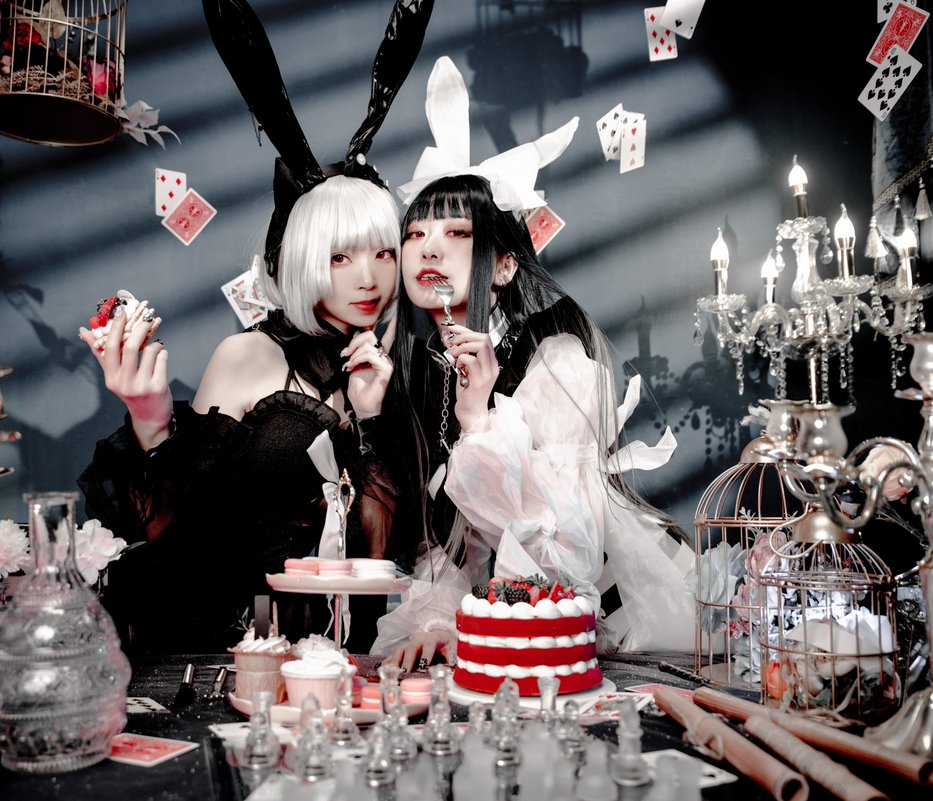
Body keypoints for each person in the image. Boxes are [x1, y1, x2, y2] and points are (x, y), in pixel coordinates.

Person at [77, 0, 434, 653]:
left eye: (384, 253)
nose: (369, 278)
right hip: (237, 656)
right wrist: (151, 421)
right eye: (340, 256)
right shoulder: (247, 356)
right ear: (302, 260)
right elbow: (183, 541)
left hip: (350, 662)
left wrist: (371, 420)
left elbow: (385, 554)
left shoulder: (391, 367)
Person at [373, 56, 696, 671]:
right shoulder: (420, 370)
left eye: (457, 233)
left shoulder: (557, 358)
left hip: (609, 631)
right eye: (415, 235)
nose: (429, 249)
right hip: (506, 639)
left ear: (503, 266)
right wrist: (438, 621)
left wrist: (480, 423)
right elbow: (447, 543)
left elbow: (563, 559)